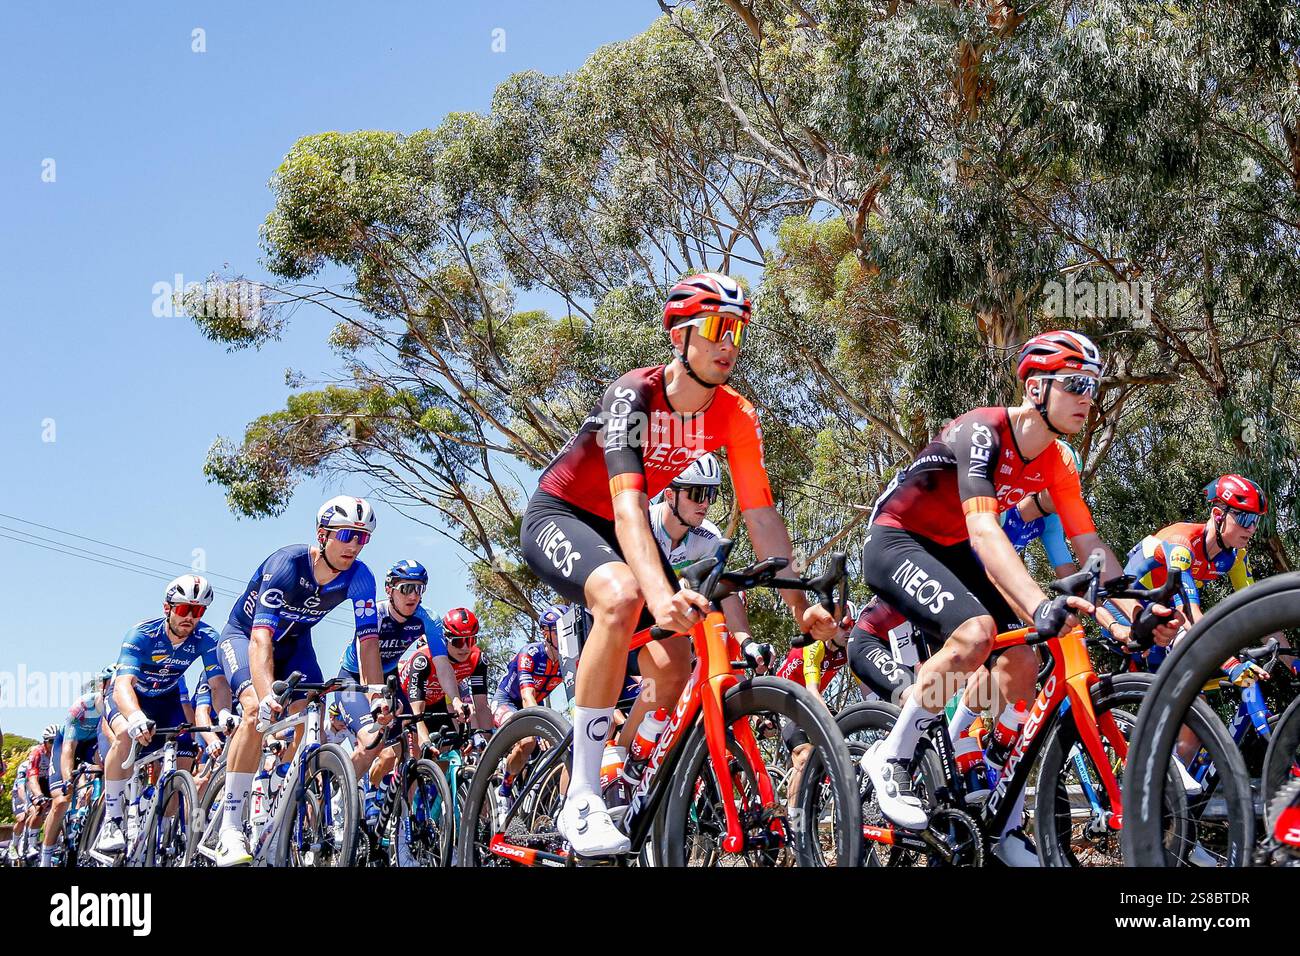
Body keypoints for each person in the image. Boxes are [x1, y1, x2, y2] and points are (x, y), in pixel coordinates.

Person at [519, 272, 843, 856]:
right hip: (566, 515)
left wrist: (801, 604)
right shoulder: (633, 398)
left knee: (673, 663)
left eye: (739, 330)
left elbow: (762, 516)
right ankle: (582, 795)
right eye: (718, 328)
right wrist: (656, 592)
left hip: (628, 530)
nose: (731, 344)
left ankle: (628, 770)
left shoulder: (735, 415)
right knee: (621, 596)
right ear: (680, 335)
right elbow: (628, 507)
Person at [858, 330, 1182, 865]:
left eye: (1094, 387)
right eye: (1076, 384)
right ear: (1035, 388)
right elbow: (986, 532)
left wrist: (1138, 614)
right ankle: (891, 756)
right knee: (976, 633)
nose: (1088, 398)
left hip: (953, 547)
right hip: (897, 537)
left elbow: (1090, 548)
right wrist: (1037, 605)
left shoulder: (1056, 461)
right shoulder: (982, 429)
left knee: (1024, 659)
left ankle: (1000, 812)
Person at [213, 496, 380, 866]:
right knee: (258, 710)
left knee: (307, 716)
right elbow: (260, 640)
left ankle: (276, 794)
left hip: (296, 645)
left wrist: (377, 695)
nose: (354, 544)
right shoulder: (287, 565)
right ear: (323, 535)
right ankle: (230, 826)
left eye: (363, 538)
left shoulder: (360, 578)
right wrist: (265, 694)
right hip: (246, 637)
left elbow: (367, 643)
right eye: (348, 534)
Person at [96, 575, 232, 855]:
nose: (190, 618)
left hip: (166, 699)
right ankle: (112, 818)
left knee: (183, 758)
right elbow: (123, 686)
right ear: (167, 608)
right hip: (133, 697)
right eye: (184, 609)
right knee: (124, 734)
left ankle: (165, 830)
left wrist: (225, 713)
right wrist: (134, 716)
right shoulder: (142, 635)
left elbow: (217, 684)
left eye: (198, 611)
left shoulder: (206, 638)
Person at [39, 670, 110, 866]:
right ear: (103, 687)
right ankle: (45, 857)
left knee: (110, 768)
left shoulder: (117, 706)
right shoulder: (82, 707)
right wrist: (68, 779)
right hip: (68, 743)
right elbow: (69, 750)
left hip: (92, 745)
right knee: (61, 800)